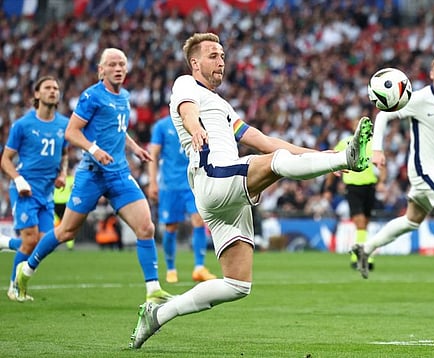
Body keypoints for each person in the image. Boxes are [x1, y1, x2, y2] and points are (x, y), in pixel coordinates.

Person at [129, 32, 373, 349]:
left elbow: (264, 141)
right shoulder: (185, 85)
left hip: (226, 195)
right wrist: (195, 127)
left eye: (223, 55)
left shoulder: (222, 105)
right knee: (273, 164)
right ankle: (347, 159)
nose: (221, 61)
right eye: (213, 55)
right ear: (195, 62)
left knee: (237, 284)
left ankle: (159, 313)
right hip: (213, 178)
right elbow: (187, 110)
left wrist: (318, 155)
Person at [14, 48, 173, 304]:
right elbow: (71, 132)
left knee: (146, 227)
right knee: (66, 232)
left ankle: (153, 289)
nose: (118, 68)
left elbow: (118, 131)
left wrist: (135, 149)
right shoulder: (91, 96)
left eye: (122, 63)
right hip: (92, 174)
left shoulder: (125, 96)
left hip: (119, 173)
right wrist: (94, 149)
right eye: (112, 64)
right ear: (101, 70)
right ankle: (27, 269)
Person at [351, 56, 434, 291]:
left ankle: (366, 249)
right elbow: (383, 115)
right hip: (423, 170)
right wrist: (377, 149)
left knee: (412, 221)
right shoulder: (418, 99)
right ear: (431, 75)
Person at [0, 76, 69, 302]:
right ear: (37, 94)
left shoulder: (64, 124)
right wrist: (18, 180)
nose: (53, 91)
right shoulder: (22, 125)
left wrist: (62, 173)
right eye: (48, 88)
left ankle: (5, 243)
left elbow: (65, 153)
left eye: (56, 88)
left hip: (47, 193)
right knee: (30, 240)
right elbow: (6, 159)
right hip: (25, 191)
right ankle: (14, 287)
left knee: (47, 242)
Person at [147, 115, 216, 284]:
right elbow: (153, 155)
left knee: (199, 220)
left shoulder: (197, 123)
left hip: (192, 183)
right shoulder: (162, 126)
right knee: (171, 226)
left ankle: (199, 268)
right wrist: (152, 182)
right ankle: (171, 269)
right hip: (170, 185)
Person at [325, 117, 387, 270]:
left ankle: (362, 254)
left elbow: (382, 165)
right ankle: (360, 256)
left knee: (365, 223)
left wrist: (381, 182)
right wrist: (328, 188)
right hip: (353, 186)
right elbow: (331, 162)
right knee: (359, 221)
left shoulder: (374, 144)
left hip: (369, 186)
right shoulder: (345, 142)